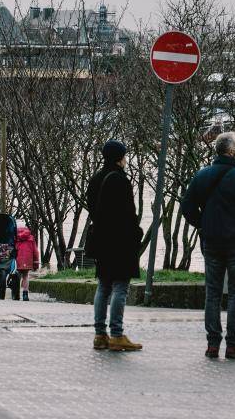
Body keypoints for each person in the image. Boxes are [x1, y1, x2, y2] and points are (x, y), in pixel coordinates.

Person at [182, 132, 235, 360]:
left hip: (210, 241)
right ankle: (233, 344)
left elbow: (187, 207)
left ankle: (212, 344)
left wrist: (203, 224)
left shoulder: (202, 176)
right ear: (232, 151)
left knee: (212, 293)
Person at [86, 140, 143, 352]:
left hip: (101, 240)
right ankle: (117, 334)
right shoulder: (119, 180)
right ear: (120, 157)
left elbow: (93, 209)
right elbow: (128, 213)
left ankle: (100, 334)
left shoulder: (95, 179)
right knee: (120, 286)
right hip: (121, 241)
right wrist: (136, 232)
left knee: (103, 286)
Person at [15, 225, 39, 301]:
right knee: (25, 276)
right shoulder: (31, 238)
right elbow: (35, 252)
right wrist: (36, 263)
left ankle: (16, 294)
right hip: (27, 260)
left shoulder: (15, 238)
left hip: (17, 259)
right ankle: (25, 294)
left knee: (16, 276)